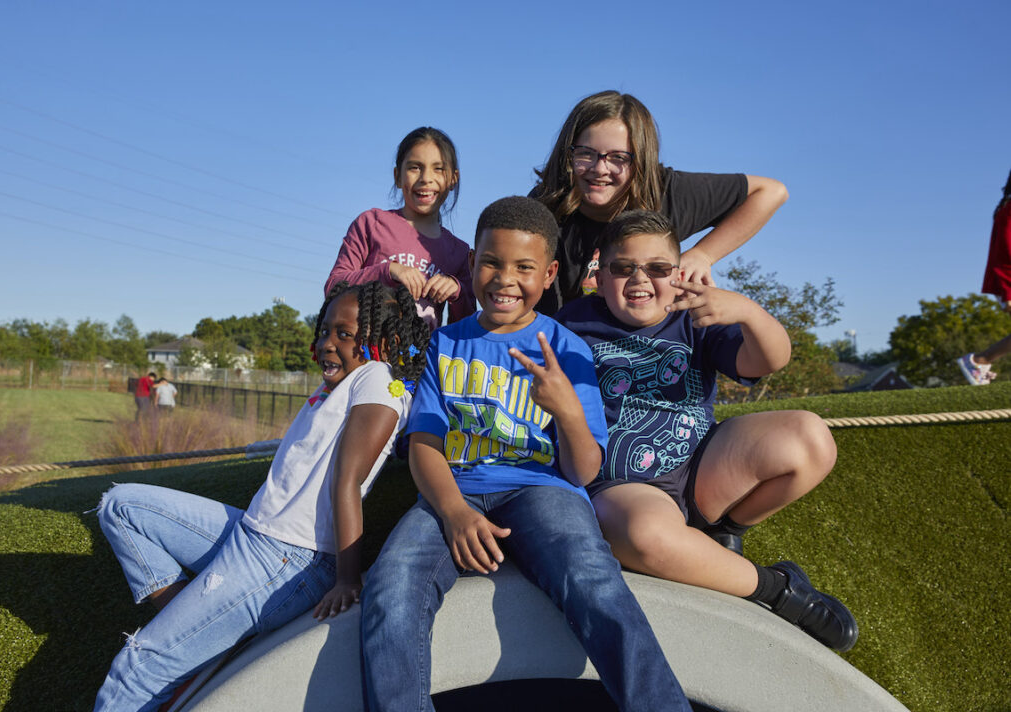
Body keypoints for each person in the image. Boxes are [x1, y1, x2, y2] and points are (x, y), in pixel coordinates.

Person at [361, 197, 690, 712]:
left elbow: (582, 469)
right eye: (491, 262)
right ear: (471, 264)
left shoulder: (566, 349)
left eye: (524, 267)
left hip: (544, 491)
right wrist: (453, 513)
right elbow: (425, 444)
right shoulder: (445, 345)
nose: (504, 278)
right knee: (390, 586)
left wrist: (567, 412)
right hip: (457, 490)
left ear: (550, 273)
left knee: (592, 578)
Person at [91, 281, 430, 711]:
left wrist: (347, 579)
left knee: (137, 667)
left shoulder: (378, 382)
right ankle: (196, 641)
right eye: (324, 330)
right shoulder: (340, 385)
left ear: (383, 342)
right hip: (253, 533)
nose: (328, 343)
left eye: (345, 335)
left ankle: (184, 648)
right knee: (123, 507)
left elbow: (347, 479)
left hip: (287, 556)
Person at [556, 210, 857, 652]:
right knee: (646, 536)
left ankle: (724, 531)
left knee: (810, 437)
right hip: (623, 484)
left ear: (677, 275)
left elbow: (769, 361)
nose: (640, 279)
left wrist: (749, 312)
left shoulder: (693, 316)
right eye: (623, 268)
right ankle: (778, 589)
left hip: (702, 465)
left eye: (657, 268)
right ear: (599, 278)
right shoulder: (570, 324)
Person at [530, 90, 788, 315]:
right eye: (586, 153)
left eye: (619, 157)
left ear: (641, 160)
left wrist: (704, 255)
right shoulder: (541, 209)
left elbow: (770, 192)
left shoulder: (667, 191)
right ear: (567, 153)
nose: (600, 168)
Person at [326, 126, 475, 331]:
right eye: (415, 167)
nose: (426, 178)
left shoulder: (459, 252)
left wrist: (456, 291)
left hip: (419, 360)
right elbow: (333, 286)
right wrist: (388, 271)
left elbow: (466, 324)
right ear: (398, 176)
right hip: (362, 355)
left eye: (438, 168)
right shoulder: (371, 223)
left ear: (452, 179)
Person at [957, 169, 1011, 385]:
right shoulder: (1008, 208)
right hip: (1007, 277)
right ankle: (978, 361)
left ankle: (980, 362)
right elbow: (1007, 250)